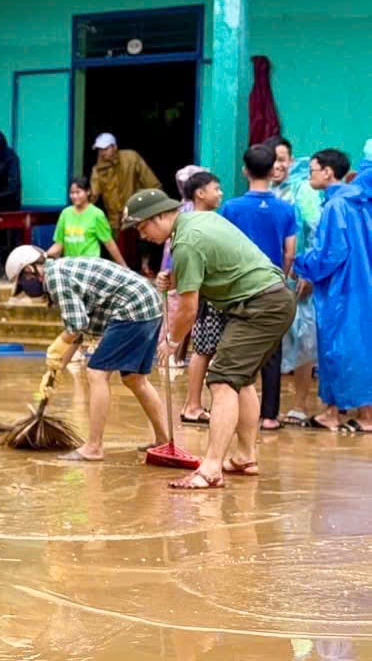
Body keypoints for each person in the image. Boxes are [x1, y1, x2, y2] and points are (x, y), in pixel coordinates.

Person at [126, 186, 295, 489]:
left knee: (221, 379)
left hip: (260, 304)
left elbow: (188, 309)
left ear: (162, 216)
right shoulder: (199, 220)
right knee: (239, 380)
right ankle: (244, 457)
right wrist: (174, 278)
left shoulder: (187, 241)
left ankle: (211, 468)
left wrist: (171, 342)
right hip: (271, 299)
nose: (143, 235)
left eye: (143, 226)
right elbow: (218, 261)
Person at [6, 245, 170, 462]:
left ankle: (93, 447)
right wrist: (56, 370)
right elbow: (80, 332)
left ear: (30, 271)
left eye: (23, 283)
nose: (26, 289)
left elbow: (75, 326)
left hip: (133, 307)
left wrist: (57, 344)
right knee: (134, 378)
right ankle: (163, 440)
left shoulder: (54, 277)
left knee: (96, 373)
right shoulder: (60, 271)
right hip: (147, 303)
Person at [219, 143, 298, 429]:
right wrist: (283, 276)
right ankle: (269, 416)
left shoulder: (232, 207)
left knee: (236, 351)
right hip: (274, 287)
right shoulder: (286, 209)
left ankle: (236, 413)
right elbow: (290, 251)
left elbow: (224, 248)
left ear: (245, 171)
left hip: (239, 288)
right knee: (272, 354)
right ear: (272, 169)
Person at [295, 148, 372, 433]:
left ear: (328, 172)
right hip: (362, 287)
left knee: (337, 349)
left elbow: (331, 253)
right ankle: (354, 413)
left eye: (312, 169)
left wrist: (301, 265)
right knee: (361, 348)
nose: (309, 175)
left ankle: (339, 414)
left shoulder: (336, 206)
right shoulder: (361, 202)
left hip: (342, 289)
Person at [272, 145, 324, 426]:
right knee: (277, 341)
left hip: (299, 278)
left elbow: (316, 230)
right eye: (273, 160)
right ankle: (272, 406)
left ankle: (301, 404)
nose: (278, 166)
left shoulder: (304, 191)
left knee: (304, 340)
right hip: (272, 278)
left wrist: (309, 272)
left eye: (282, 160)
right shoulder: (267, 190)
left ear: (291, 161)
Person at [171, 170, 226, 427]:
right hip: (205, 296)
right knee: (203, 350)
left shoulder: (211, 219)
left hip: (208, 294)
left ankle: (195, 403)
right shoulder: (192, 222)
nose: (220, 193)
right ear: (200, 193)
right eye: (216, 188)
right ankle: (192, 404)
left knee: (205, 349)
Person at [90, 133, 161, 230]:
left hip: (137, 215)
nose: (102, 153)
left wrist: (157, 207)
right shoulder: (98, 169)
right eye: (99, 150)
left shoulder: (131, 158)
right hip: (114, 222)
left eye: (105, 149)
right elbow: (93, 194)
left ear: (115, 147)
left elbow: (152, 183)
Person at [46, 176, 124, 263]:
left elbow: (109, 243)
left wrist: (124, 267)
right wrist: (43, 256)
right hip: (69, 265)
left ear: (88, 192)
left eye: (78, 192)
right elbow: (59, 244)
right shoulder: (65, 213)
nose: (74, 196)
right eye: (72, 193)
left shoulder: (96, 214)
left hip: (89, 265)